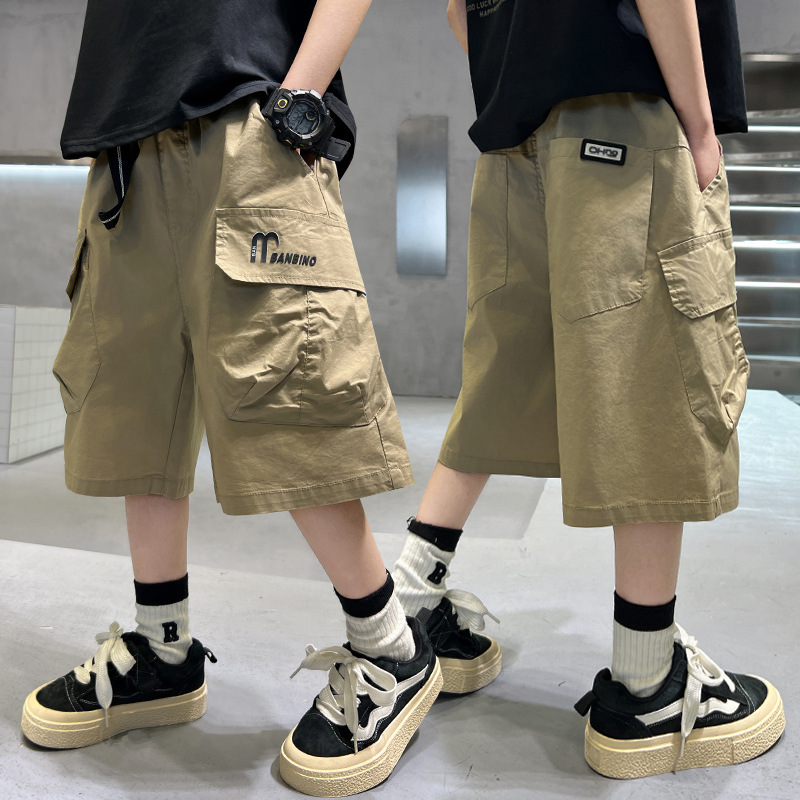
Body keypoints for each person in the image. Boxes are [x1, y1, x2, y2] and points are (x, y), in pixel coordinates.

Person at [20, 1, 442, 795]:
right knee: (136, 413)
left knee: (289, 401)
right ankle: (163, 651)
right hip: (124, 149)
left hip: (247, 120)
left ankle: (391, 647)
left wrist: (296, 98)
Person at [392, 0, 786, 779]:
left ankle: (406, 600)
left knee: (501, 382)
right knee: (652, 384)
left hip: (517, 141)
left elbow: (458, 11)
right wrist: (700, 128)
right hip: (626, 122)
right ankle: (647, 684)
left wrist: (526, 83)